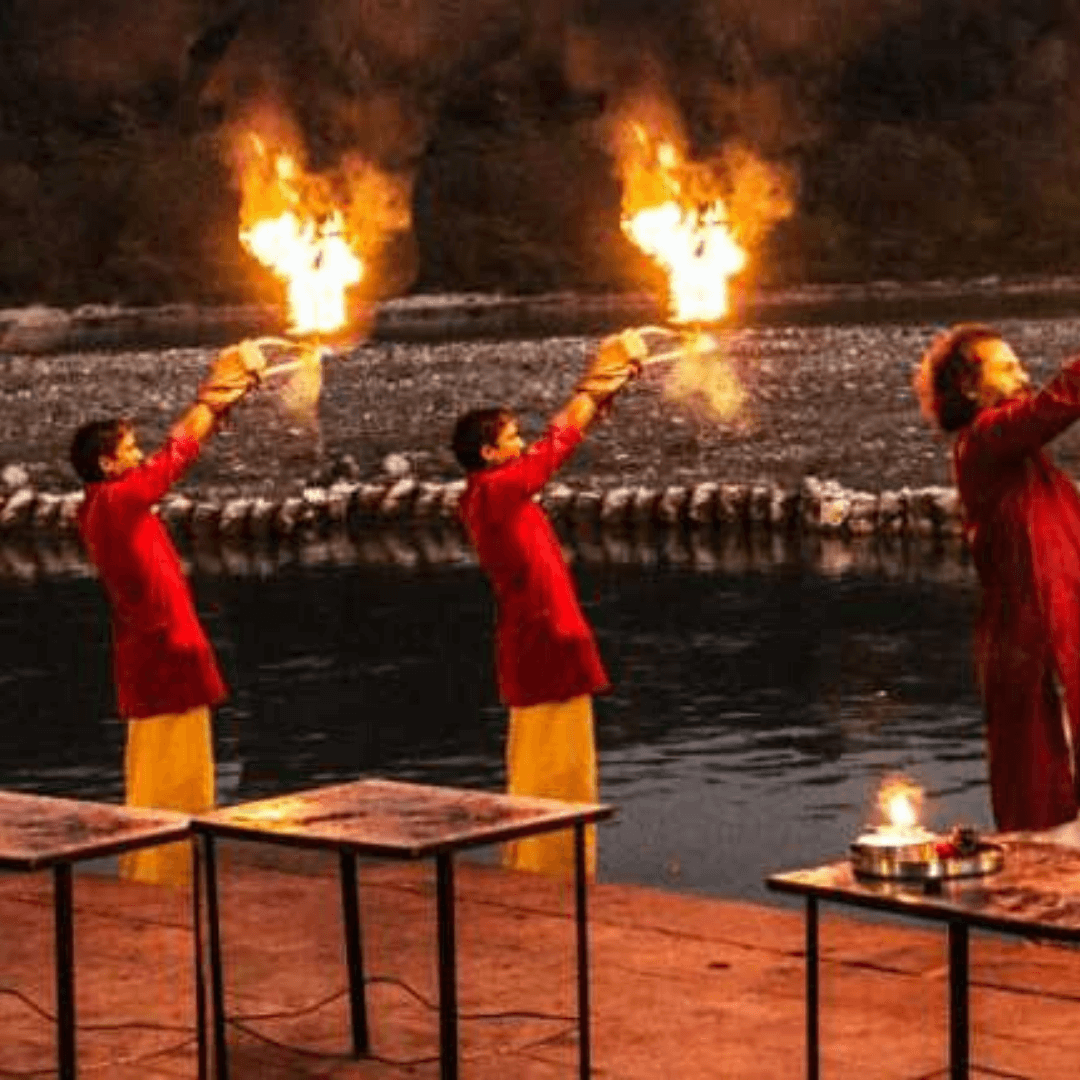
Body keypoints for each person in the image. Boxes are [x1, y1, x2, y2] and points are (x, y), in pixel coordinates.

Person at [69, 342, 266, 885]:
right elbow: (175, 456)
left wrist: (222, 404)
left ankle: (158, 867)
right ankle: (167, 872)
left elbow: (168, 457)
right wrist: (212, 395)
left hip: (156, 651)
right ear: (107, 464)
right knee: (175, 772)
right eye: (129, 450)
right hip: (165, 653)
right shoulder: (112, 505)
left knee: (162, 766)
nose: (138, 456)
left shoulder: (107, 507)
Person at [451, 330, 647, 877]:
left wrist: (607, 389)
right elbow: (554, 447)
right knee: (554, 766)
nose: (521, 444)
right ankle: (549, 870)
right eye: (511, 439)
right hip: (545, 640)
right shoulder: (492, 494)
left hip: (542, 637)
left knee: (552, 761)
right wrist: (594, 384)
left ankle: (546, 863)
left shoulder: (495, 496)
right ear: (489, 455)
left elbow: (549, 449)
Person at [914, 323, 1080, 832]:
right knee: (1046, 810)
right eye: (1007, 368)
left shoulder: (1021, 461)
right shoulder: (983, 443)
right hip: (1033, 650)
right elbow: (1053, 406)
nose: (1024, 376)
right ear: (969, 386)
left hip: (1056, 642)